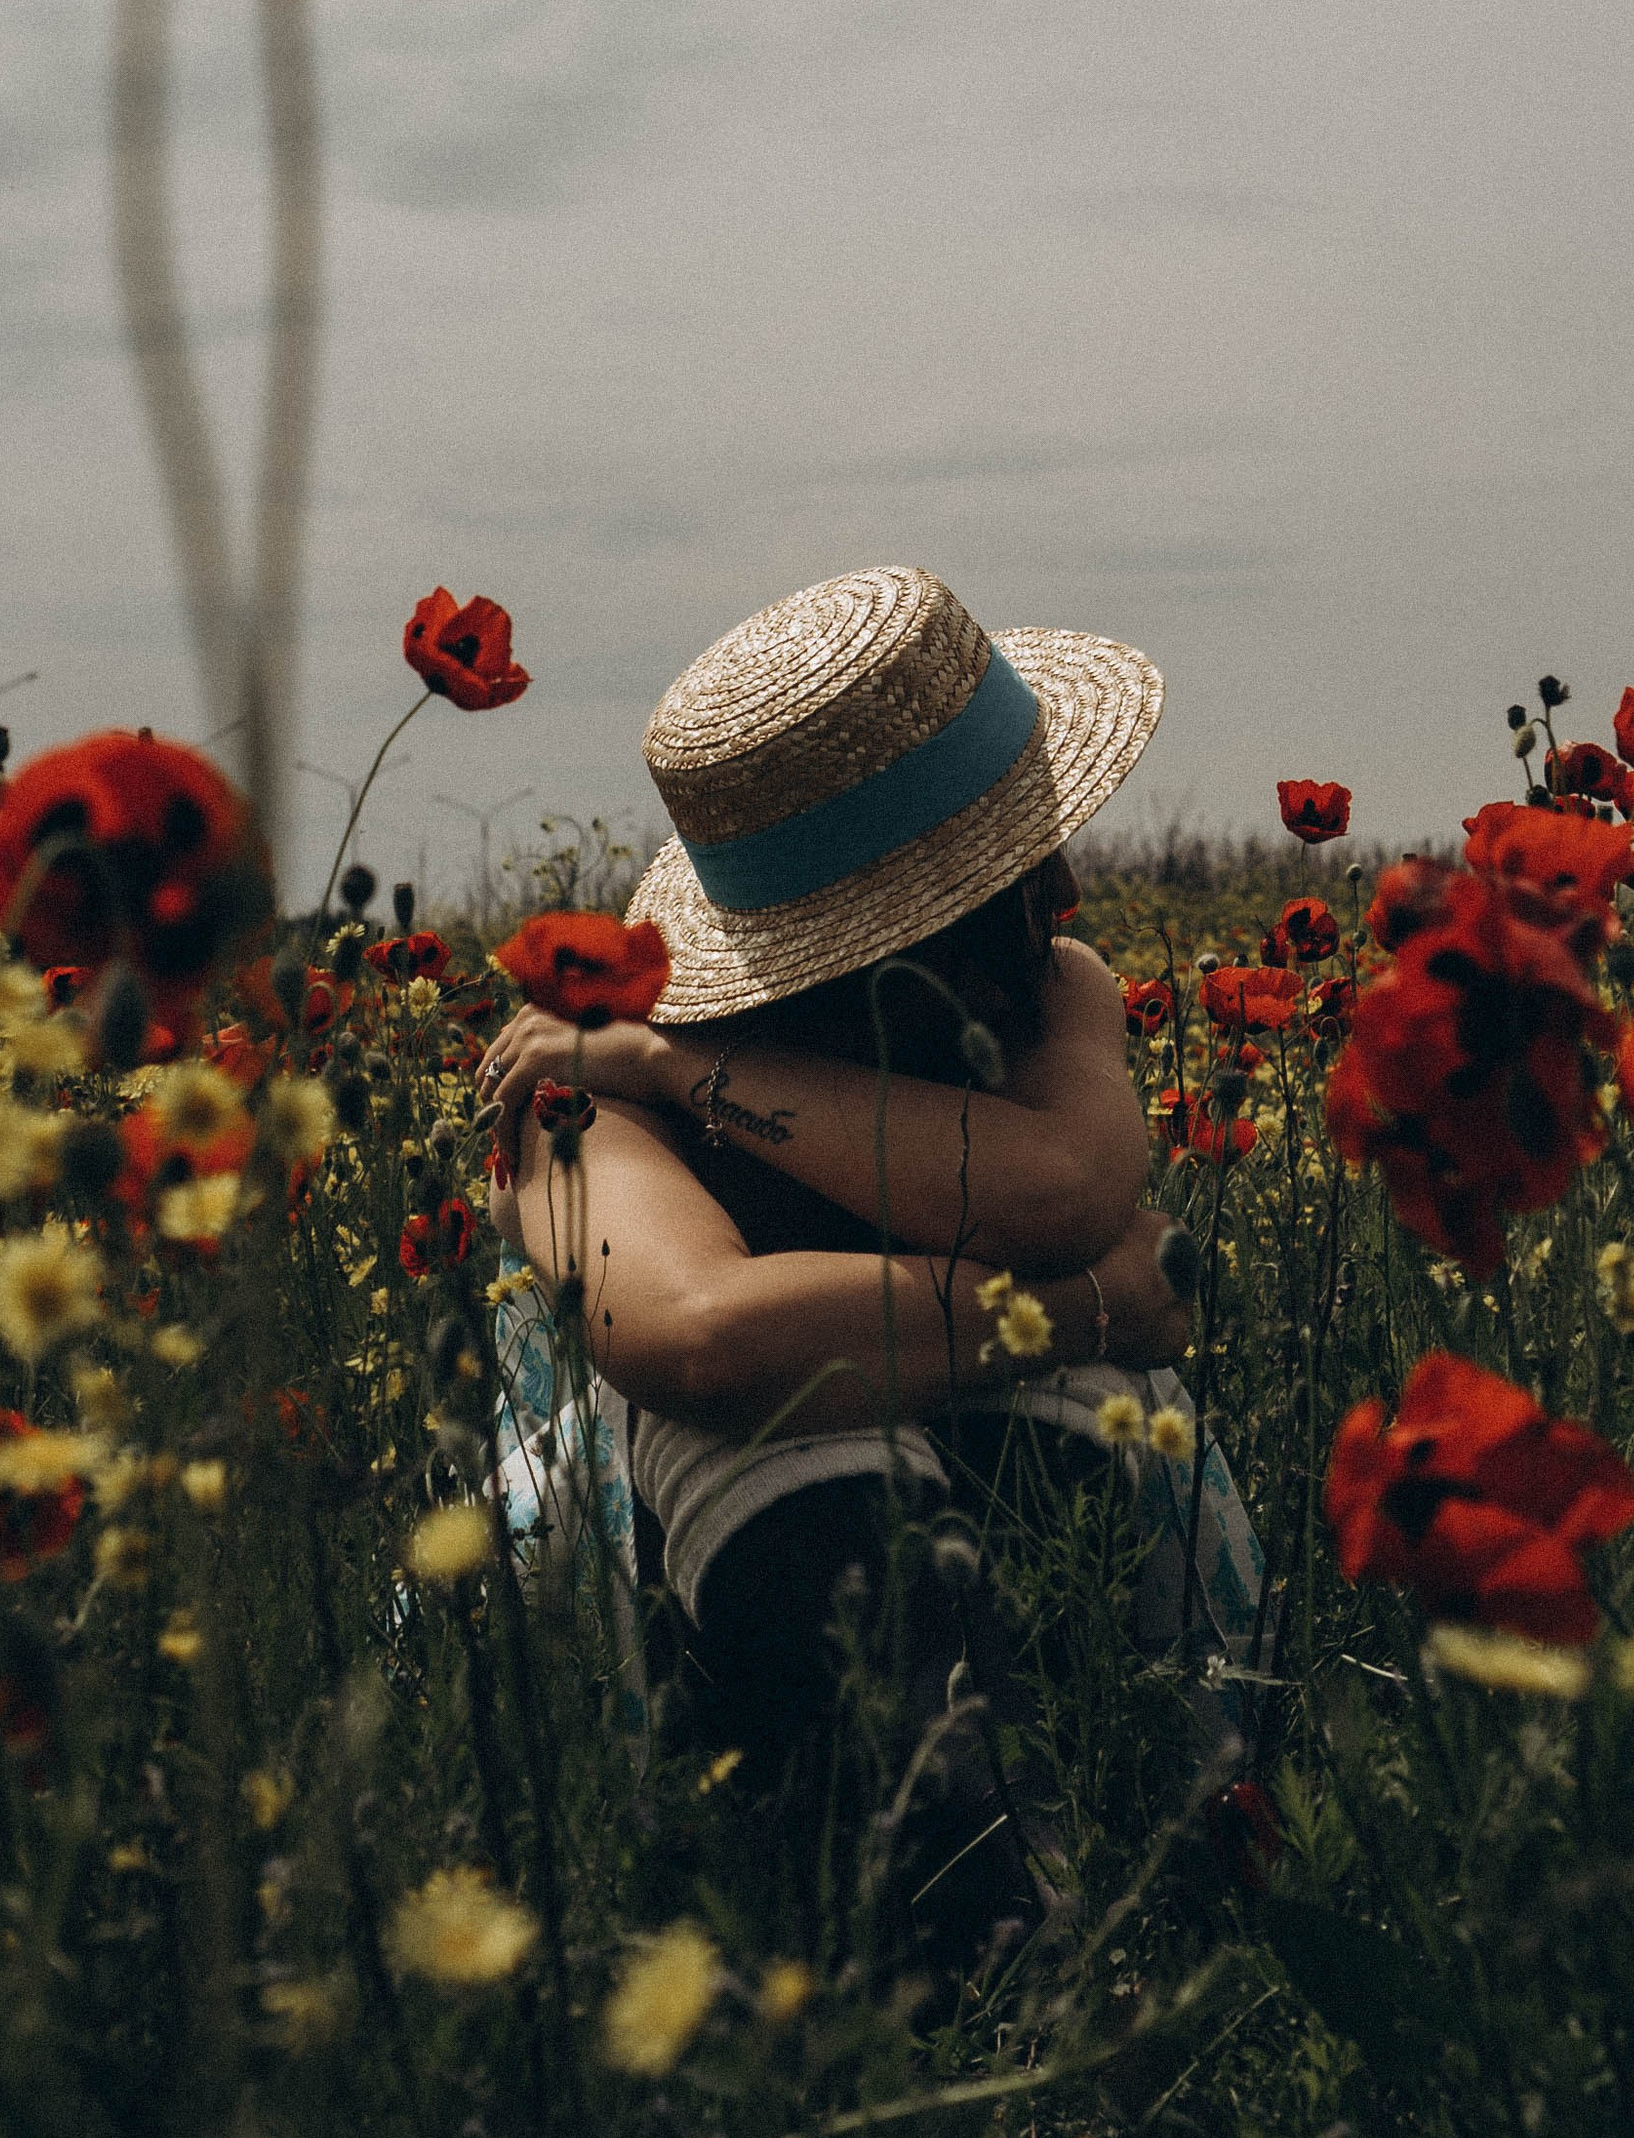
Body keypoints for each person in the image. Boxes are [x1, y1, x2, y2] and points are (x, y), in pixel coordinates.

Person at [477, 564, 1263, 1959]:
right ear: (902, 934)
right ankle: (974, 1917)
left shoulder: (1049, 985)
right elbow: (703, 1338)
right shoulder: (575, 1081)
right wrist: (1084, 1307)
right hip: (694, 1620)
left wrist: (689, 1069)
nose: (1074, 887)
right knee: (762, 1438)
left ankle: (1050, 1864)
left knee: (1033, 1416)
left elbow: (1065, 1184)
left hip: (1022, 1536)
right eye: (1021, 870)